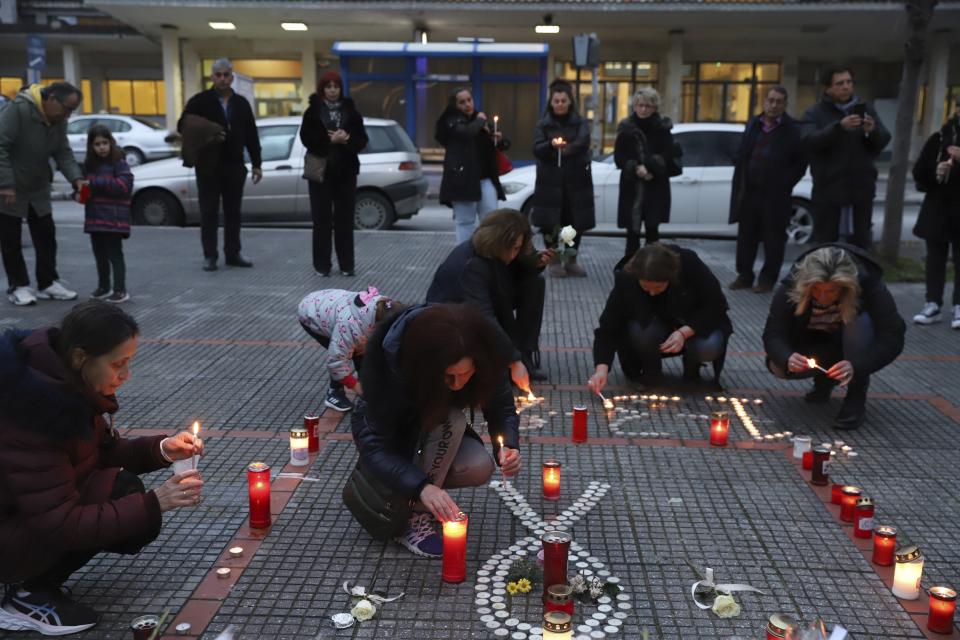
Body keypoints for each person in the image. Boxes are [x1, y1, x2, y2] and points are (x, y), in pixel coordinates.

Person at [0, 301, 205, 636]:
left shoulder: (60, 385)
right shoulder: (32, 417)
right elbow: (59, 523)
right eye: (118, 364)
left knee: (123, 492)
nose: (126, 375)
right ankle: (26, 598)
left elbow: (100, 452)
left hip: (26, 516)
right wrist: (157, 501)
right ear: (81, 357)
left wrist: (162, 449)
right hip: (12, 532)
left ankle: (35, 583)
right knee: (127, 496)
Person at [351, 303, 521, 557]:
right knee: (450, 419)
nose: (457, 385)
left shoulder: (479, 351)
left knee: (478, 465)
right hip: (396, 445)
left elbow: (502, 408)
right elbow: (372, 443)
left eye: (465, 375)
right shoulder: (392, 365)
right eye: (448, 376)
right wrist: (420, 487)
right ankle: (412, 515)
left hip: (431, 435)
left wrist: (507, 445)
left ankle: (423, 499)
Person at [763, 244, 905, 430]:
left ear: (846, 286)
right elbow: (773, 333)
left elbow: (892, 336)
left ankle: (856, 394)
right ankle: (824, 379)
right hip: (813, 346)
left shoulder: (868, 285)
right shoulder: (791, 287)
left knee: (859, 321)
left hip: (851, 347)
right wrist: (787, 357)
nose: (822, 297)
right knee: (779, 367)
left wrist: (857, 366)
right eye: (816, 290)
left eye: (831, 291)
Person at [426, 209, 549, 383]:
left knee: (535, 282)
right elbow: (483, 316)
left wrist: (535, 264)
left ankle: (524, 352)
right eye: (513, 249)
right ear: (499, 242)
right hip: (453, 320)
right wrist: (513, 361)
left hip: (484, 304)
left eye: (518, 248)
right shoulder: (472, 265)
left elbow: (516, 276)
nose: (515, 254)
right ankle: (511, 359)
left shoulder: (494, 252)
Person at [589, 243, 732, 392]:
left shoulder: (689, 264)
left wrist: (685, 332)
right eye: (645, 287)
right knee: (641, 332)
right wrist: (601, 370)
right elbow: (608, 327)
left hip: (693, 324)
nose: (651, 293)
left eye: (658, 288)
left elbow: (716, 305)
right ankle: (650, 371)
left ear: (670, 278)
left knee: (708, 346)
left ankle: (692, 367)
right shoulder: (627, 279)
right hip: (655, 327)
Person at [0, 82, 86, 306]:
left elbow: (63, 152)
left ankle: (47, 283)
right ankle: (18, 286)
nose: (68, 115)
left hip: (38, 186)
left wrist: (77, 179)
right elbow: (0, 146)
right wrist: (5, 184)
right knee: (11, 239)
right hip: (10, 186)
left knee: (46, 235)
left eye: (72, 111)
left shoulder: (57, 121)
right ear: (51, 99)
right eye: (67, 108)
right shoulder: (17, 109)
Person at [179, 58, 262, 272]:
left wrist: (256, 163)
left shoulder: (241, 103)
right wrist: (209, 130)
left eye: (226, 75)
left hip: (234, 165)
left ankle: (233, 254)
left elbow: (251, 134)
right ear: (212, 77)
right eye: (219, 75)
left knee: (233, 213)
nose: (223, 79)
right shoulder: (200, 101)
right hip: (208, 166)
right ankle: (210, 256)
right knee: (209, 213)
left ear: (232, 78)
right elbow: (183, 125)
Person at [728, 86, 807, 293]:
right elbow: (744, 150)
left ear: (784, 104)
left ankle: (767, 280)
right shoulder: (754, 124)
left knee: (773, 239)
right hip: (749, 192)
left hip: (775, 195)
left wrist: (785, 183)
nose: (773, 105)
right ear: (764, 102)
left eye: (778, 101)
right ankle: (744, 275)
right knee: (746, 237)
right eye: (770, 100)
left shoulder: (792, 130)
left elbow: (800, 163)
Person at [801, 66, 891, 248]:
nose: (846, 87)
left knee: (860, 249)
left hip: (861, 194)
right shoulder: (815, 113)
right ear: (828, 88)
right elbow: (809, 141)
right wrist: (838, 128)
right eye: (840, 83)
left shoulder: (867, 111)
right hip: (829, 194)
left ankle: (860, 277)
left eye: (849, 82)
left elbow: (883, 139)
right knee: (827, 249)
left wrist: (871, 131)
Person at [300, 71, 369, 277]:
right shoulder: (312, 111)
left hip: (345, 171)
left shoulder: (352, 112)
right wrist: (329, 140)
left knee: (345, 220)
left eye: (336, 87)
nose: (332, 90)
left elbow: (362, 140)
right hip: (320, 171)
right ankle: (322, 265)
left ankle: (347, 265)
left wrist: (346, 139)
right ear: (322, 89)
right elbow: (306, 138)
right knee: (321, 220)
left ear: (340, 89)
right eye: (328, 87)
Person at [530, 79, 595, 278]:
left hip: (575, 182)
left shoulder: (580, 122)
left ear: (570, 102)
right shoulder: (543, 124)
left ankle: (570, 259)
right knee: (550, 224)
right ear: (551, 102)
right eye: (556, 101)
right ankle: (554, 260)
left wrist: (564, 150)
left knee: (572, 224)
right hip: (550, 182)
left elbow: (582, 142)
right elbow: (537, 148)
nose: (559, 104)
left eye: (563, 101)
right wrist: (551, 146)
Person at [297, 286, 398, 412]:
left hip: (331, 302)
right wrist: (359, 390)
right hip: (311, 312)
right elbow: (336, 362)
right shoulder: (350, 325)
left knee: (362, 349)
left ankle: (367, 384)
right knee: (346, 352)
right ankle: (334, 393)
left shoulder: (388, 308)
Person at [614, 88, 682, 258]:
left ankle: (652, 267)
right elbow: (619, 156)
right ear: (634, 106)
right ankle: (630, 269)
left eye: (648, 106)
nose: (643, 109)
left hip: (655, 186)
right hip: (632, 186)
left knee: (653, 231)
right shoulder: (626, 128)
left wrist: (650, 167)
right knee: (632, 232)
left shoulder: (662, 128)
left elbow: (669, 153)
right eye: (640, 105)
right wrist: (635, 167)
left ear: (654, 108)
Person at [911, 97, 960, 329]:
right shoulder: (939, 138)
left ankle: (959, 305)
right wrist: (935, 171)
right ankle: (932, 303)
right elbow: (919, 173)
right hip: (938, 208)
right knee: (935, 258)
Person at [435, 87, 506, 243]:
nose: (468, 104)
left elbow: (500, 146)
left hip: (485, 177)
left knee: (491, 220)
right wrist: (480, 121)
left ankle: (489, 254)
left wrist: (498, 139)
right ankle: (465, 256)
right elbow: (465, 133)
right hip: (462, 179)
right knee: (465, 221)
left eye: (469, 100)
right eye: (462, 102)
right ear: (455, 105)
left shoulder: (480, 121)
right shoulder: (451, 120)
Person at [81, 124, 133, 304]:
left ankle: (120, 289)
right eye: (97, 144)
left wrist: (95, 183)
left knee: (115, 255)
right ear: (91, 146)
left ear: (111, 142)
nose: (102, 147)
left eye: (104, 143)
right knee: (99, 254)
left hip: (114, 218)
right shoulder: (89, 165)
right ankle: (103, 286)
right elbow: (85, 193)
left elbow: (124, 186)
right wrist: (80, 193)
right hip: (95, 217)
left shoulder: (119, 162)